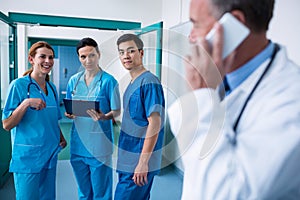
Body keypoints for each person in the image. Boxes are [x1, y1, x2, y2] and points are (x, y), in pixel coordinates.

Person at [168, 0, 300, 199]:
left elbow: (222, 193)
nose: (191, 36)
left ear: (234, 24)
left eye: (196, 24)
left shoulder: (290, 101)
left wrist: (201, 97)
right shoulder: (221, 80)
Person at [2, 41, 67, 200]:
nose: (48, 61)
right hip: (28, 158)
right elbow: (7, 124)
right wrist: (26, 103)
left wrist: (61, 137)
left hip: (50, 154)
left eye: (50, 57)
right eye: (42, 56)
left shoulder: (51, 88)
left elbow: (53, 120)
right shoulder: (18, 85)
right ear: (31, 59)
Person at [64, 37, 120, 200]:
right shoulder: (74, 81)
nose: (87, 60)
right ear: (79, 57)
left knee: (101, 192)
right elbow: (69, 107)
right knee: (84, 192)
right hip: (78, 145)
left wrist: (104, 116)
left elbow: (116, 111)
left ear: (98, 54)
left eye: (91, 55)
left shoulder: (109, 81)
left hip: (99, 146)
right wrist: (69, 113)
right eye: (83, 56)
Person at [114, 33, 165, 200]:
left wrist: (143, 162)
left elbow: (155, 123)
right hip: (128, 157)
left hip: (139, 159)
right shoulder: (131, 83)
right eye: (121, 52)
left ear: (141, 53)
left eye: (131, 51)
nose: (126, 56)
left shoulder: (149, 81)